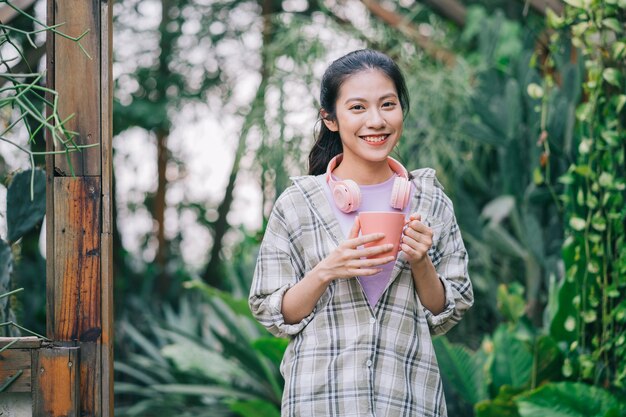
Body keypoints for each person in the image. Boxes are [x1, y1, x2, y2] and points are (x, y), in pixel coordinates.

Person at [249, 49, 473, 417]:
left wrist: (420, 263)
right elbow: (273, 313)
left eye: (388, 105)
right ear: (331, 119)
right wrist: (326, 270)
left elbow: (447, 311)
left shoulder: (430, 201)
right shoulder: (298, 203)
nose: (376, 120)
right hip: (318, 402)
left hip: (408, 400)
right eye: (357, 108)